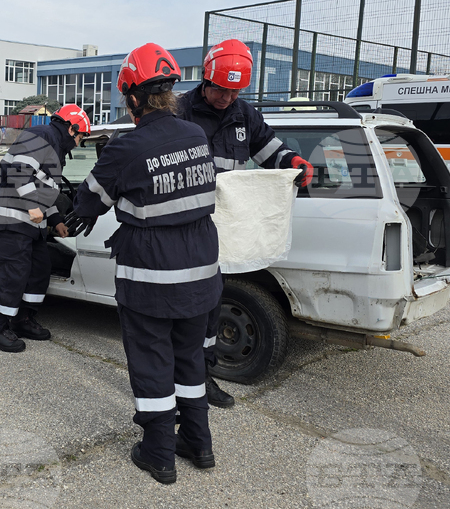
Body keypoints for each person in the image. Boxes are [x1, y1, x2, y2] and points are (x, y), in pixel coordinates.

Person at [68, 43, 221, 485]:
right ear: (169, 92)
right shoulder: (195, 134)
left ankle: (158, 454)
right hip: (201, 271)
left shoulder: (126, 147)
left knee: (153, 361)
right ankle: (198, 441)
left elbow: (90, 200)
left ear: (134, 97)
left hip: (151, 276)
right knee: (190, 359)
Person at [177, 39, 314, 409]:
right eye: (221, 89)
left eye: (235, 91)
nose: (226, 97)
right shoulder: (180, 112)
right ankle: (176, 384)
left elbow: (271, 150)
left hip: (219, 234)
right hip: (181, 229)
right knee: (182, 312)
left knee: (208, 309)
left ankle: (202, 380)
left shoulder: (244, 115)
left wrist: (293, 164)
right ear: (206, 78)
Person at [0, 103, 90, 353]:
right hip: (10, 218)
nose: (80, 142)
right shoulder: (42, 136)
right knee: (13, 274)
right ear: (72, 129)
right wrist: (32, 206)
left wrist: (55, 220)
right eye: (81, 136)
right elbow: (15, 169)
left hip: (28, 222)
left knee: (40, 269)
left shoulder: (54, 147)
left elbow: (43, 193)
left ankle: (22, 320)